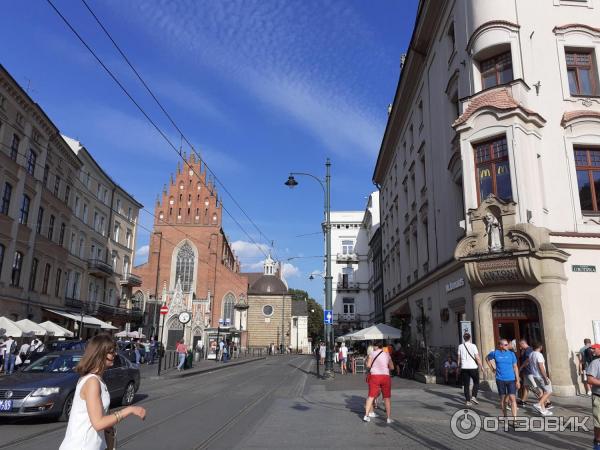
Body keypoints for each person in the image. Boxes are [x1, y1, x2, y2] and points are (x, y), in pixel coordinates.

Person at [59, 334, 146, 450]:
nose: (115, 354)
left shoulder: (98, 380)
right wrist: (129, 410)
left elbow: (104, 419)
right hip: (81, 446)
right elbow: (98, 423)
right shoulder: (92, 382)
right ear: (100, 354)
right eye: (111, 352)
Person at [486, 339, 520, 419]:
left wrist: (517, 380)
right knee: (503, 399)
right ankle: (505, 416)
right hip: (500, 379)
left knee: (512, 398)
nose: (506, 346)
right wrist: (492, 369)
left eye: (507, 344)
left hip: (511, 379)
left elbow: (515, 367)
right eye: (504, 345)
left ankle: (515, 419)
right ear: (500, 346)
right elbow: (487, 358)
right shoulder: (495, 353)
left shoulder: (512, 354)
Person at [363, 342, 394, 424]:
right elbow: (392, 367)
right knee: (386, 398)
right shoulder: (387, 354)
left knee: (371, 396)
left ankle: (366, 415)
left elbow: (368, 365)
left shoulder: (372, 354)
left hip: (375, 376)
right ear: (381, 346)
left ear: (375, 346)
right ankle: (388, 418)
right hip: (385, 376)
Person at [528, 342, 553, 416]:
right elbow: (541, 366)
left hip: (535, 376)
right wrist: (545, 377)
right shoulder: (539, 355)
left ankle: (543, 410)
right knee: (549, 391)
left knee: (541, 392)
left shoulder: (531, 354)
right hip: (540, 376)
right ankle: (539, 404)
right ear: (540, 347)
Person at [457, 333, 482, 406]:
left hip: (464, 367)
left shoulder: (460, 346)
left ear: (463, 338)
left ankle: (468, 401)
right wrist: (482, 366)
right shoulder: (473, 346)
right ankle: (474, 396)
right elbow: (477, 357)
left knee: (466, 385)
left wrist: (458, 367)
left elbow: (459, 358)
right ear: (470, 338)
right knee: (476, 382)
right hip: (473, 367)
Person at [584, 343, 600, 450]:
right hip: (599, 397)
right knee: (599, 424)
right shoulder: (595, 363)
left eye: (594, 349)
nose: (593, 351)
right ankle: (597, 442)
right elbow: (589, 380)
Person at [517, 339, 534, 405]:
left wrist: (521, 367)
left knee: (535, 388)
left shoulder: (528, 350)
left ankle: (546, 402)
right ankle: (523, 400)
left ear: (523, 343)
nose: (519, 347)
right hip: (527, 371)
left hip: (529, 371)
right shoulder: (526, 350)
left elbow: (528, 360)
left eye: (520, 345)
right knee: (526, 386)